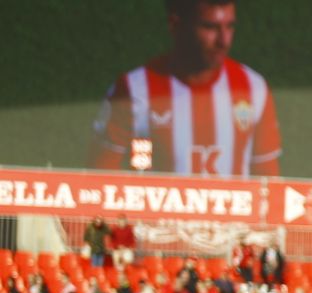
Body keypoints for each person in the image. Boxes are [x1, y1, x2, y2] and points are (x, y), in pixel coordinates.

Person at [90, 0, 281, 176]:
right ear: (175, 24)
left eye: (230, 26)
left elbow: (268, 184)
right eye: (210, 27)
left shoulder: (253, 89)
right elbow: (100, 181)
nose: (224, 41)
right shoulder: (133, 90)